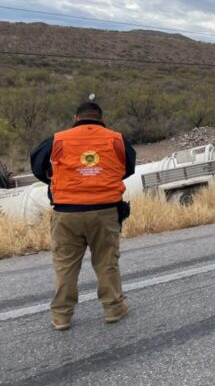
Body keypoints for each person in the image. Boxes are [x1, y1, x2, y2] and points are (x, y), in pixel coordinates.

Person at [31, 99, 136, 331]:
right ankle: (114, 309)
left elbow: (37, 166)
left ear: (75, 119)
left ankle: (61, 317)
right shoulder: (116, 138)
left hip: (66, 213)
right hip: (105, 212)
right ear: (102, 119)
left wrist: (57, 179)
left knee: (65, 266)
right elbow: (129, 167)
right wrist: (101, 179)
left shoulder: (57, 140)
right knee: (107, 262)